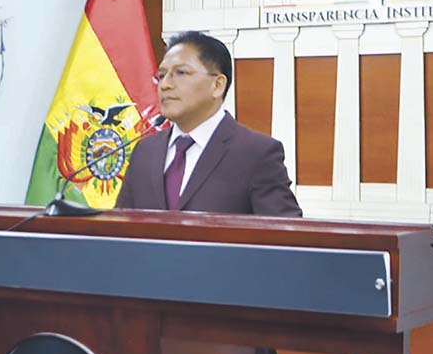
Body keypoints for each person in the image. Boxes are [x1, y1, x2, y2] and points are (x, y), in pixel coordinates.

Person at [114, 31, 302, 217]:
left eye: (180, 73)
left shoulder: (255, 153)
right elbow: (121, 228)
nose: (165, 85)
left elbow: (286, 235)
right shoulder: (145, 151)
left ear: (217, 85)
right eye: (161, 75)